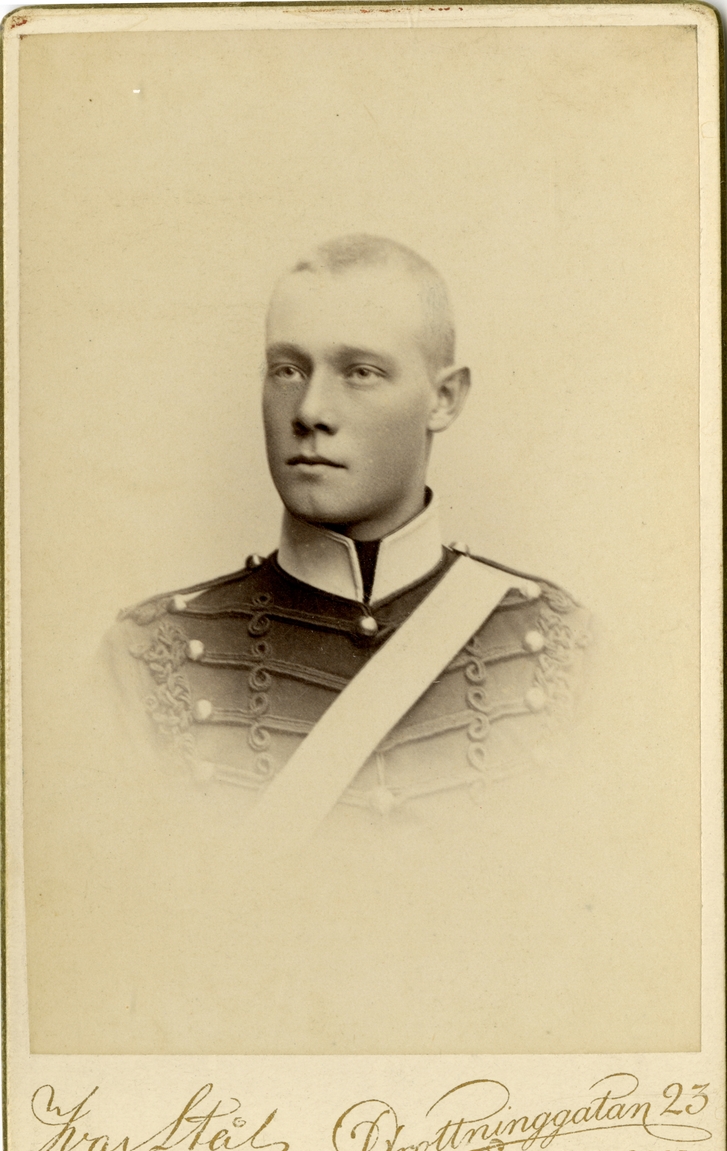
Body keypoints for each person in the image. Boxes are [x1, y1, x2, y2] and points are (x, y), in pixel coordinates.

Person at [104, 233, 590, 833]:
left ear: (444, 399)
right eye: (287, 370)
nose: (309, 411)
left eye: (360, 372)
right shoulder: (149, 657)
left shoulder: (561, 649)